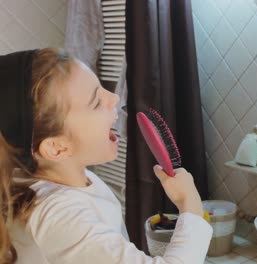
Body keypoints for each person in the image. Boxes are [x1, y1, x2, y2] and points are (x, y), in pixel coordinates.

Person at [0, 48, 212, 264]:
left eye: (102, 89)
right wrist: (190, 204)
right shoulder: (61, 217)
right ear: (57, 148)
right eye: (96, 102)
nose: (114, 98)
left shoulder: (73, 180)